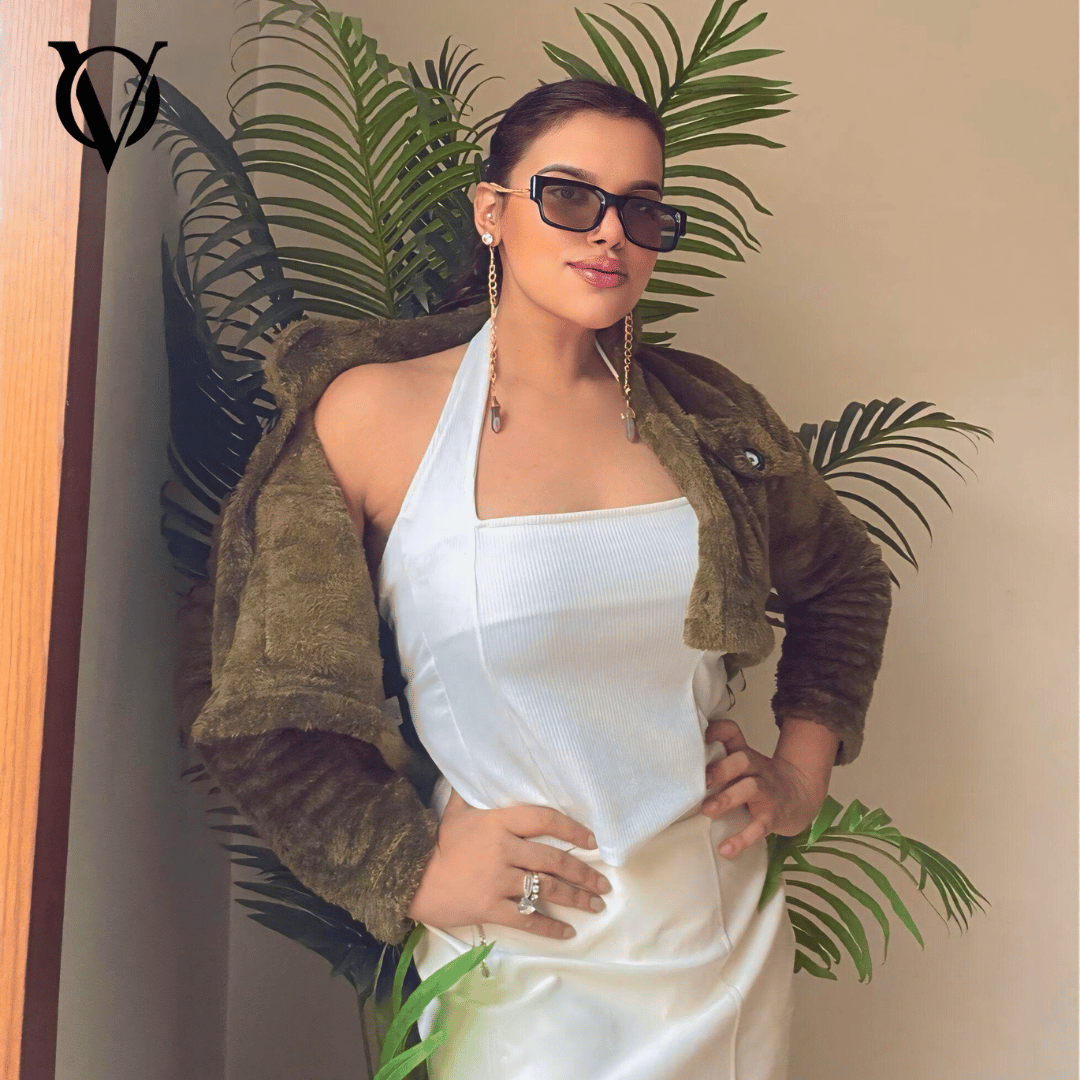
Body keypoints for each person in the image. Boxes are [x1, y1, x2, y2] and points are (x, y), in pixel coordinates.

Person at [177, 79, 891, 1080]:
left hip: (717, 946)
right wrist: (408, 869)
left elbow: (847, 583)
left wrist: (800, 777)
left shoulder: (708, 417)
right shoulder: (372, 415)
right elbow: (252, 693)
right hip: (521, 957)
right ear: (491, 210)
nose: (610, 232)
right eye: (570, 196)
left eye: (642, 208)